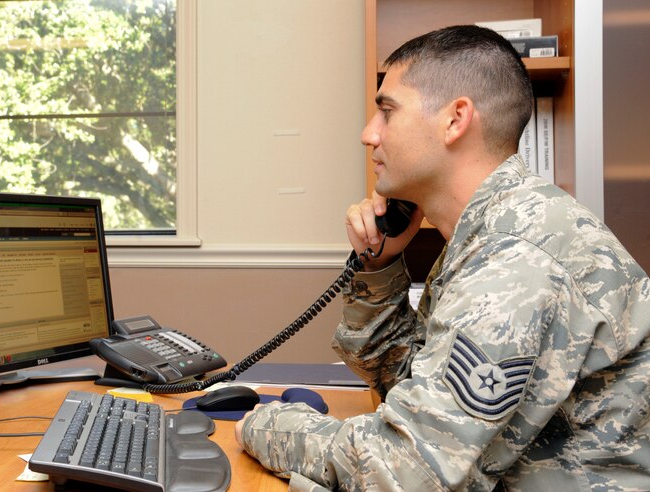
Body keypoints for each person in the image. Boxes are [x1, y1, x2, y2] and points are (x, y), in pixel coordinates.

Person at [235, 25, 650, 491]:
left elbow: (405, 472)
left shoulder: (516, 257)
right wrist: (379, 266)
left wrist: (268, 426)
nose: (368, 134)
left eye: (387, 112)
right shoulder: (490, 231)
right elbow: (412, 385)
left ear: (455, 120)